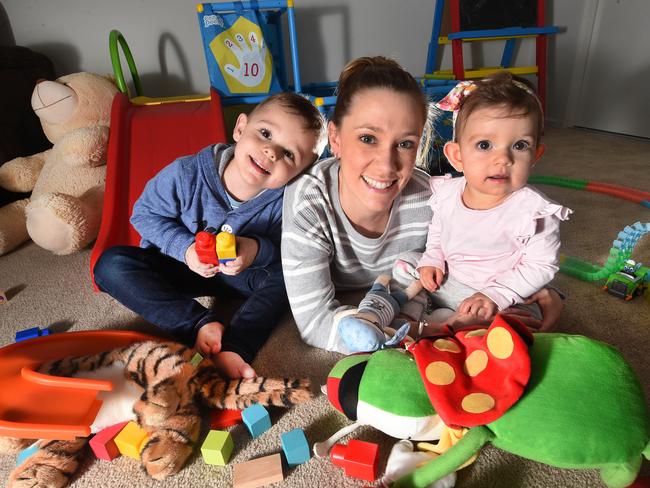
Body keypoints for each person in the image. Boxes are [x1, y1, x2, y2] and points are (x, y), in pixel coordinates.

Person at [281, 57, 565, 354]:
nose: (386, 164)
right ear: (336, 138)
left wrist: (536, 290)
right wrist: (419, 333)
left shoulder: (429, 196)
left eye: (404, 144)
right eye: (368, 138)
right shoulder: (310, 201)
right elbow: (314, 322)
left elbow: (482, 244)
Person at [94, 92, 326, 378]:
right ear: (240, 128)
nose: (271, 152)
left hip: (244, 275)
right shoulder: (187, 173)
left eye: (289, 154)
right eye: (265, 133)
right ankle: (196, 323)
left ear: (301, 172)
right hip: (180, 266)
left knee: (294, 275)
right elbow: (144, 214)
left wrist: (254, 249)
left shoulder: (288, 200)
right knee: (111, 265)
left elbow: (289, 249)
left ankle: (236, 346)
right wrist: (185, 249)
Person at [416, 73, 572, 327]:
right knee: (406, 266)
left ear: (535, 155)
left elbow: (540, 265)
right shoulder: (447, 193)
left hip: (504, 294)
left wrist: (495, 295)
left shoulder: (535, 212)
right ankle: (437, 316)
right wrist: (432, 259)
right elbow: (438, 231)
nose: (503, 159)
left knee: (518, 322)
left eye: (520, 146)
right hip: (451, 283)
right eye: (485, 145)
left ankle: (452, 324)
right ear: (457, 156)